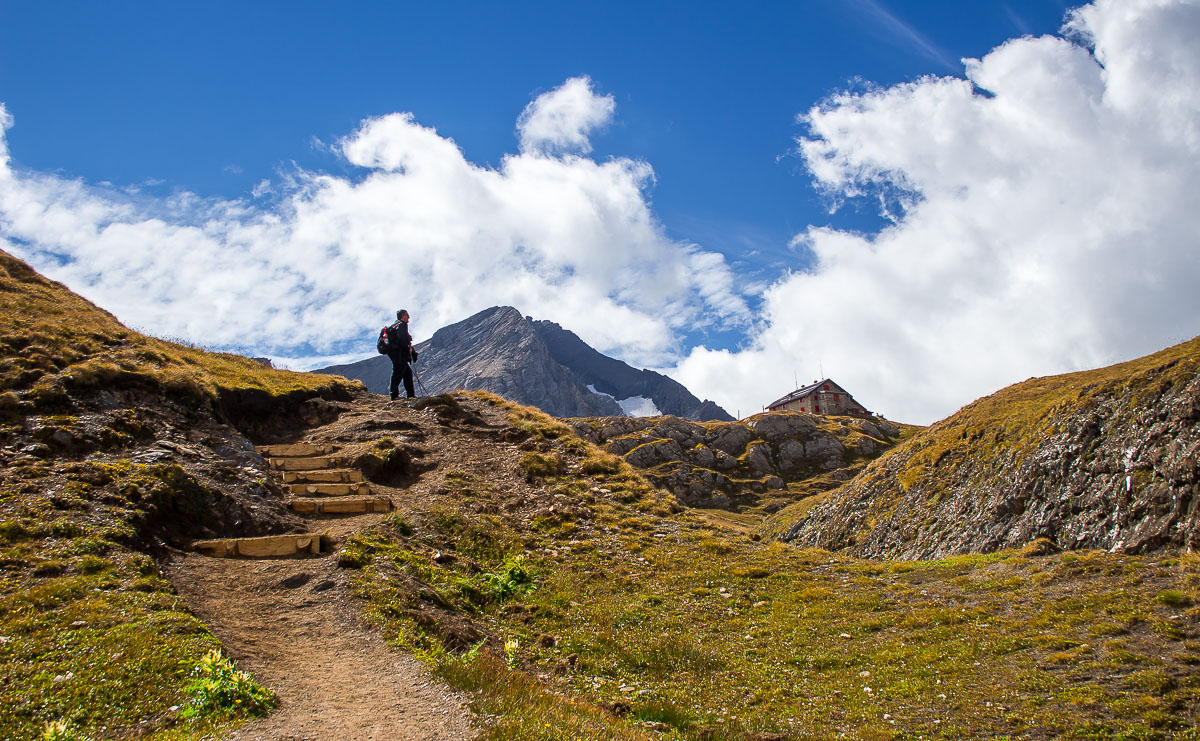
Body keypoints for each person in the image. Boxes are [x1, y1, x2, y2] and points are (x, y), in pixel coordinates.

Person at [386, 309, 417, 400]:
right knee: (398, 372)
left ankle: (410, 395)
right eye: (407, 315)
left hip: (394, 353)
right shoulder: (402, 325)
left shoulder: (394, 326)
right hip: (399, 353)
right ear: (402, 316)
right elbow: (402, 339)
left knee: (407, 372)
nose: (409, 317)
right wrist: (408, 349)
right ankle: (394, 395)